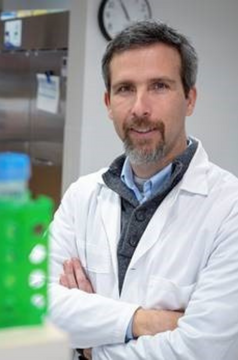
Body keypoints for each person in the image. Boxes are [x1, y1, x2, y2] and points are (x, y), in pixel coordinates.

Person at [48, 20, 238, 360]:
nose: (140, 108)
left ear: (189, 99)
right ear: (108, 102)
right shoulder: (82, 197)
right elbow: (33, 303)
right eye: (125, 89)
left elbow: (199, 349)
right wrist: (140, 321)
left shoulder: (229, 208)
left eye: (159, 86)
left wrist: (90, 347)